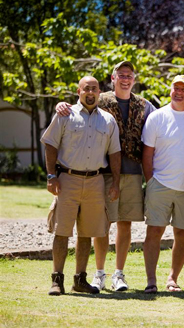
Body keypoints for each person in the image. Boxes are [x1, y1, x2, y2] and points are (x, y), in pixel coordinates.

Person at [56, 61, 157, 291]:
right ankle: (99, 273)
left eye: (129, 75)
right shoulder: (99, 99)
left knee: (125, 224)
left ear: (134, 79)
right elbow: (77, 108)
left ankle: (118, 274)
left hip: (132, 172)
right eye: (121, 74)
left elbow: (166, 118)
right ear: (113, 78)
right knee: (101, 224)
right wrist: (61, 105)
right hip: (103, 174)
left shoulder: (144, 105)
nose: (125, 78)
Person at [42, 76, 121, 295]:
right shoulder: (65, 114)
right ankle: (57, 280)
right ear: (79, 91)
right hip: (67, 180)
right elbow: (50, 144)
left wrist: (115, 182)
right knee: (62, 231)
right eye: (87, 88)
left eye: (94, 89)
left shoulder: (108, 120)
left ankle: (80, 279)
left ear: (99, 92)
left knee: (87, 232)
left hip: (95, 181)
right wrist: (51, 176)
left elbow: (115, 153)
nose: (90, 92)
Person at [141, 75, 184, 294]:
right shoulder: (157, 117)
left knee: (183, 234)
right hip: (160, 184)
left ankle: (172, 279)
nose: (179, 92)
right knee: (154, 231)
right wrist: (151, 181)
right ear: (170, 90)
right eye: (176, 88)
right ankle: (151, 280)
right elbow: (147, 154)